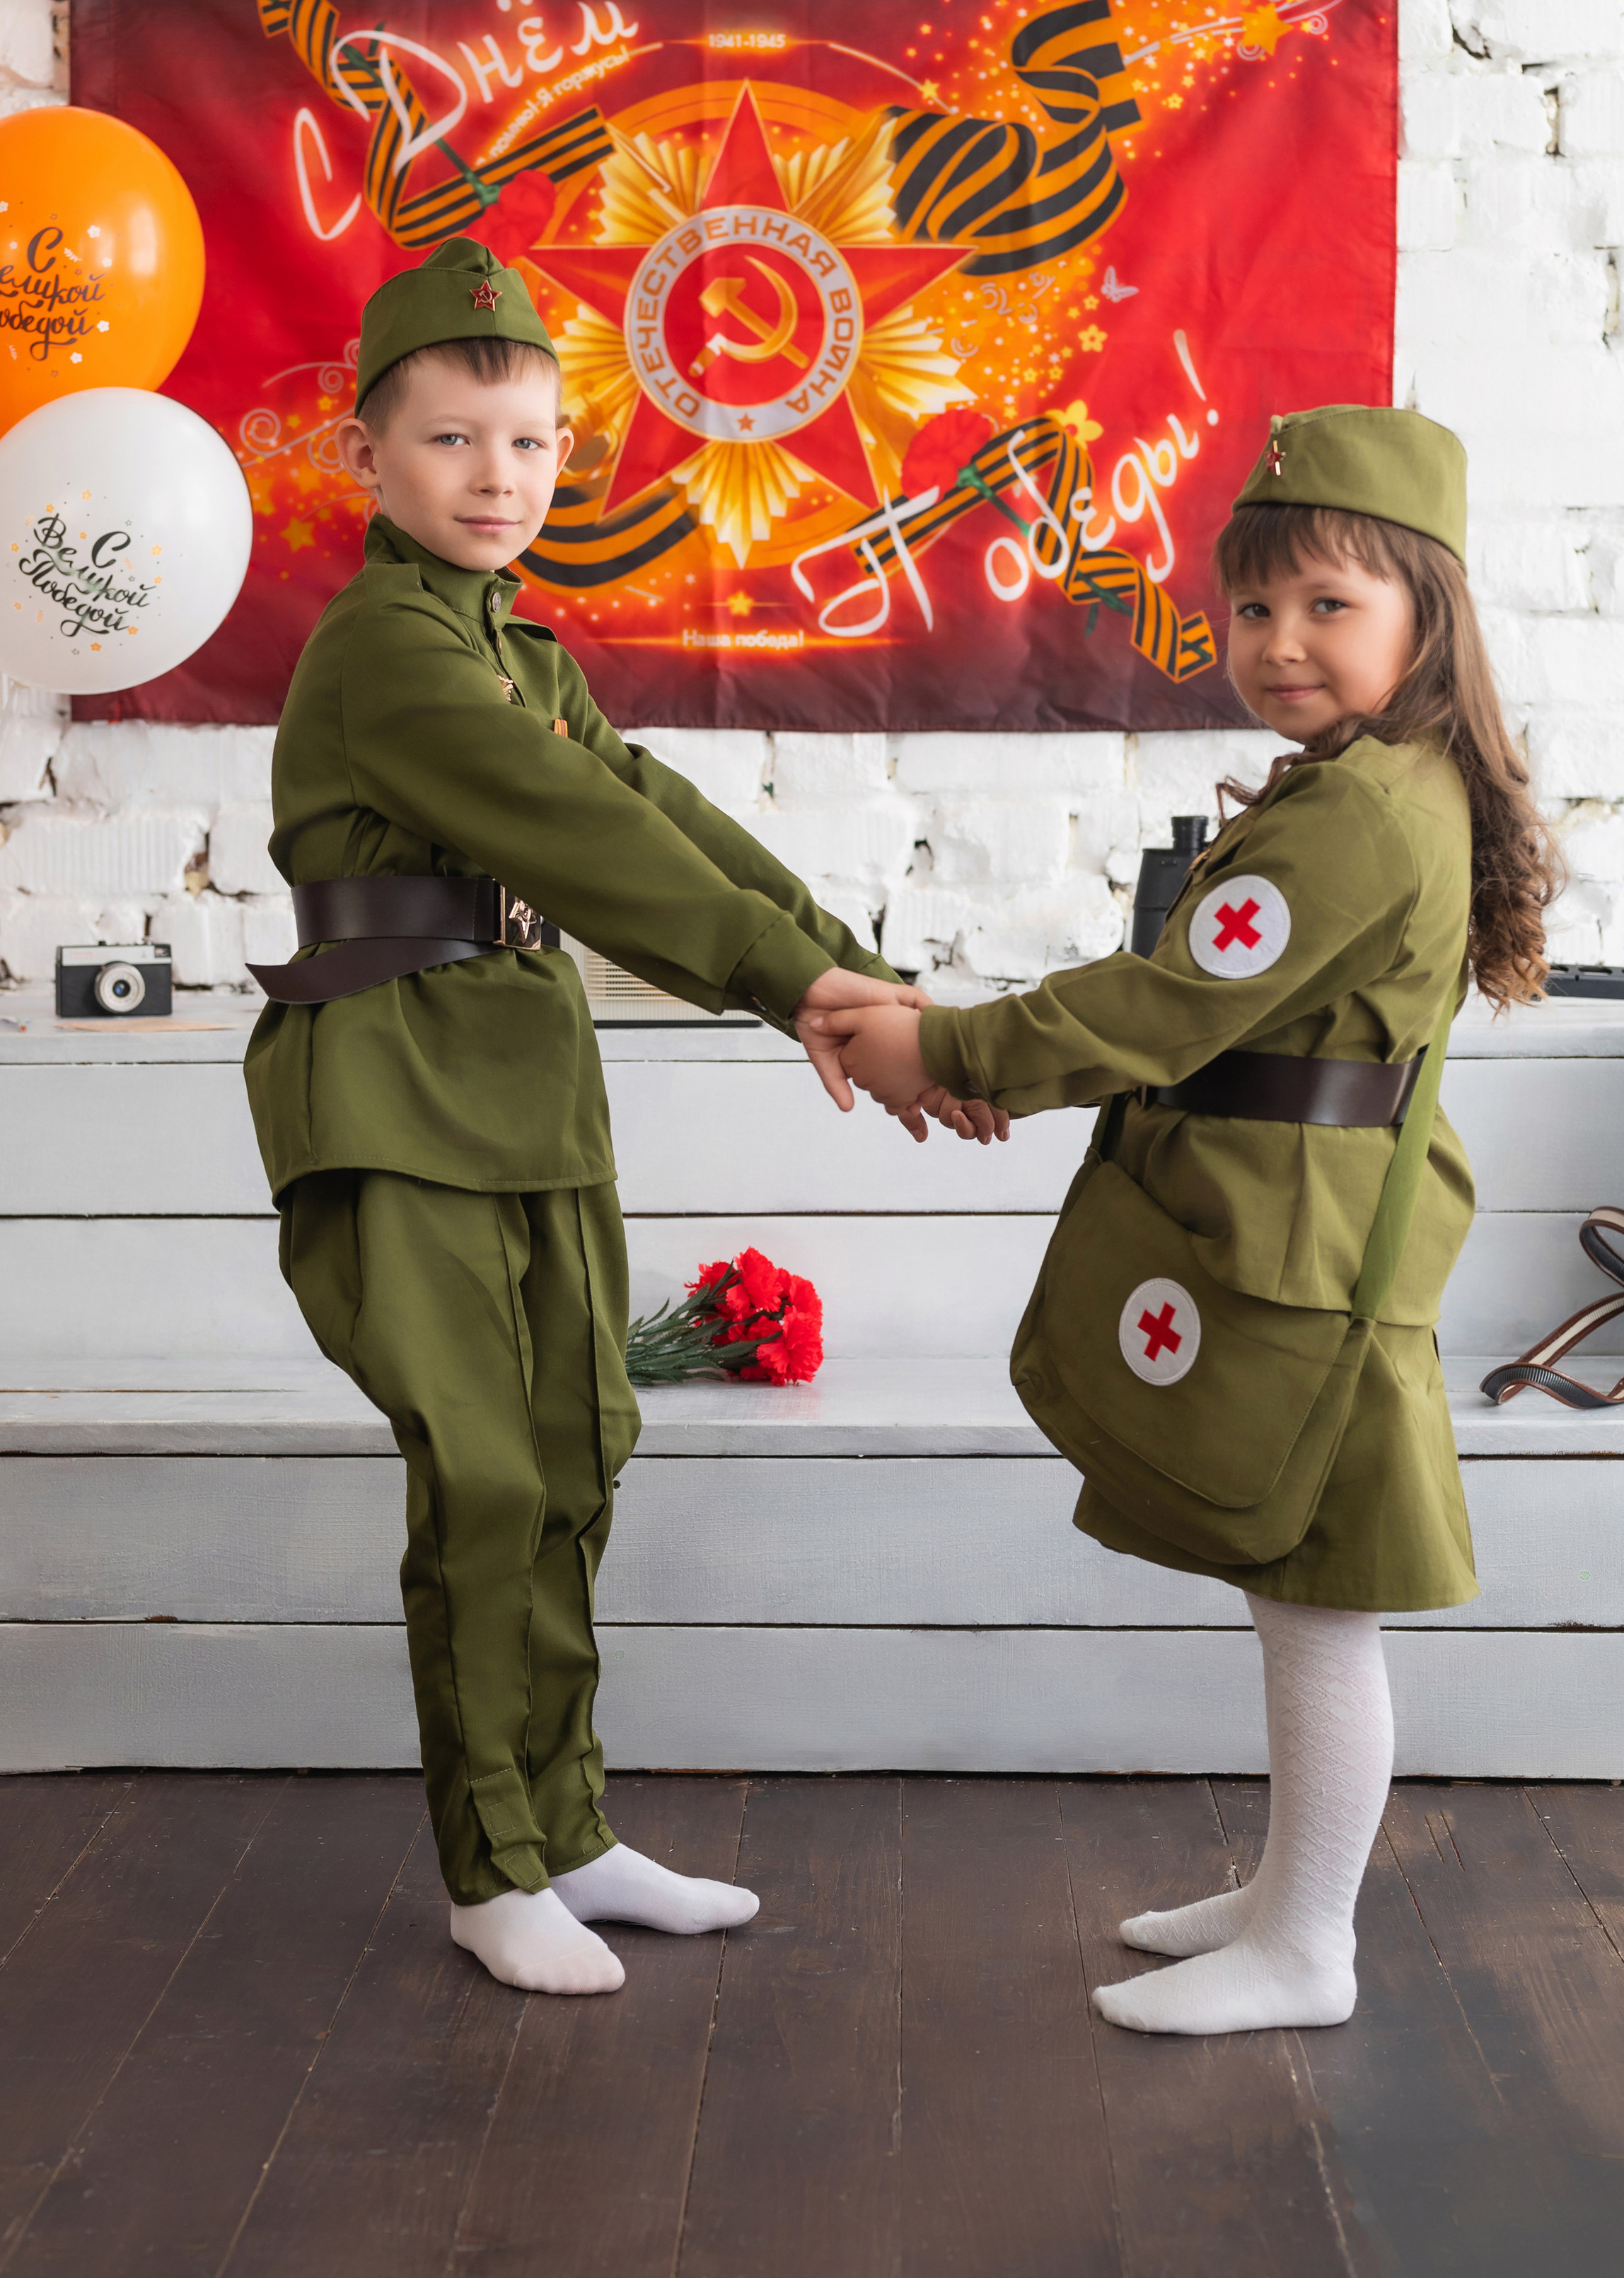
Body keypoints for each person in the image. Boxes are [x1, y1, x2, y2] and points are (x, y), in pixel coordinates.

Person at [244, 234, 993, 1999]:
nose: (497, 478)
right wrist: (801, 997)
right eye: (451, 442)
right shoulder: (383, 652)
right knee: (487, 1473)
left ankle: (568, 1828)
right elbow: (576, 841)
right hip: (393, 1092)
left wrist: (863, 979)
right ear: (368, 456)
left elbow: (657, 809)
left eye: (530, 443)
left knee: (578, 1446)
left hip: (524, 1085)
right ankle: (488, 1864)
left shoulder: (516, 643)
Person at [808, 405, 1561, 2037]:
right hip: (1298, 1236)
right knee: (1292, 1583)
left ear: (1425, 615)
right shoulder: (1369, 783)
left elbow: (1162, 1005)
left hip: (1311, 1264)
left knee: (1315, 1591)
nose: (1277, 644)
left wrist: (942, 1046)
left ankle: (1306, 1951)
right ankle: (1288, 1898)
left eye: (1327, 606)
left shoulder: (1366, 808)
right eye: (1252, 609)